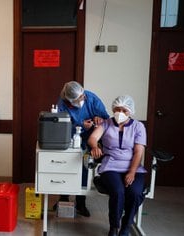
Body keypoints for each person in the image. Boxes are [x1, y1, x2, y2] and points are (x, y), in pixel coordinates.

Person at [88, 95, 146, 236]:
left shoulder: (138, 127)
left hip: (133, 167)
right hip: (111, 166)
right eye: (117, 109)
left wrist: (132, 172)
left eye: (124, 110)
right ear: (113, 109)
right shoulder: (106, 123)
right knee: (118, 191)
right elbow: (93, 138)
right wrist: (95, 146)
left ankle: (126, 226)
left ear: (130, 111)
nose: (120, 113)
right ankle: (114, 227)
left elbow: (139, 151)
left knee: (135, 193)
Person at [57, 81, 109, 217]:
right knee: (66, 166)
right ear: (70, 100)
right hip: (69, 138)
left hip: (90, 139)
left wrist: (99, 119)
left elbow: (106, 119)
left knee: (84, 168)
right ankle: (63, 199)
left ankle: (81, 202)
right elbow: (60, 124)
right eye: (79, 99)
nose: (83, 99)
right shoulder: (62, 103)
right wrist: (80, 125)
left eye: (83, 96)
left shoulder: (91, 98)